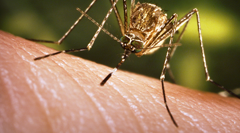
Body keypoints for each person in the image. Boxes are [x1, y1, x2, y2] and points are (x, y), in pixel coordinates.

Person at [0, 30, 240, 132]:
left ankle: (192, 74)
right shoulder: (127, 33)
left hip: (150, 34)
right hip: (136, 28)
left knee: (190, 14)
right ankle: (67, 43)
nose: (125, 52)